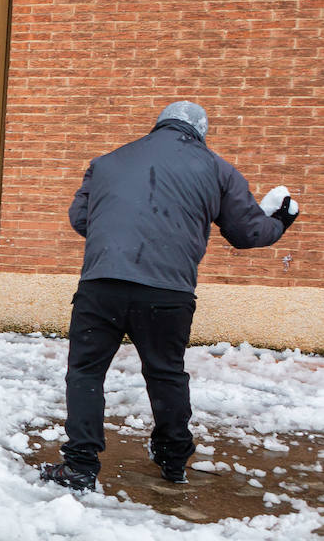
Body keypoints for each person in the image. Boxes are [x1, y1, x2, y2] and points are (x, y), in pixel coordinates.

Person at [39, 101, 297, 491]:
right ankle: (172, 459)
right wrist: (280, 220)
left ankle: (79, 465)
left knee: (86, 372)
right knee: (165, 374)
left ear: (158, 124)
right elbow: (247, 234)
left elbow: (81, 220)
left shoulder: (107, 162)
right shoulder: (217, 169)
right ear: (200, 132)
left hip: (101, 286)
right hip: (167, 293)